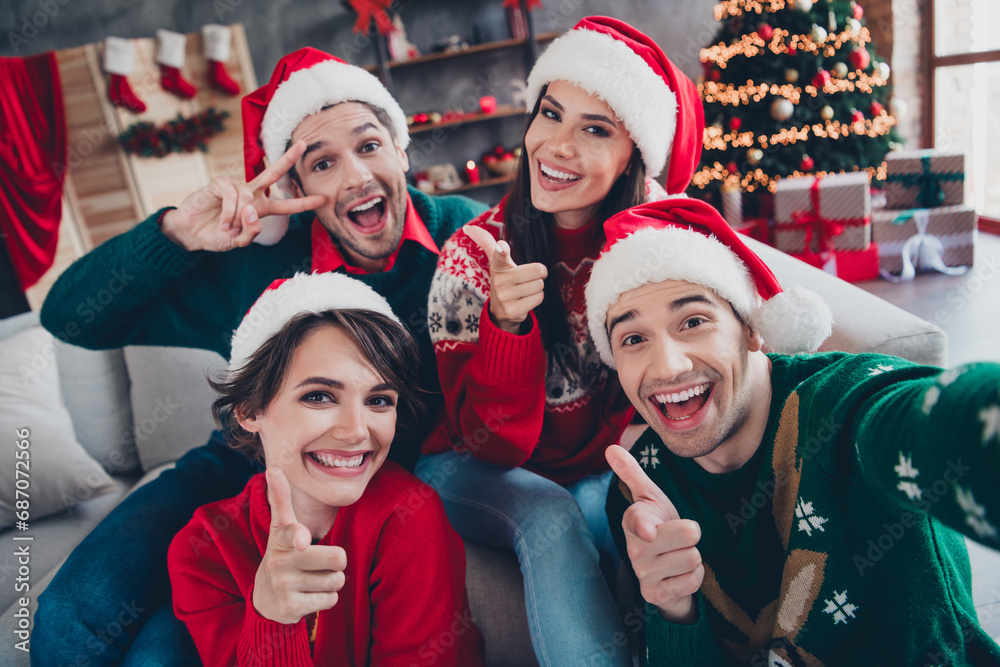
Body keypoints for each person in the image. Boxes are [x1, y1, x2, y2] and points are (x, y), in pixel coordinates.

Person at [33, 48, 487, 664]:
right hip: (236, 468)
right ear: (296, 188)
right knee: (73, 614)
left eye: (370, 145)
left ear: (402, 150)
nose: (355, 176)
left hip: (357, 471)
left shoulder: (466, 240)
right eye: (322, 163)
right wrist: (176, 235)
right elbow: (69, 317)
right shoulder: (256, 260)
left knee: (161, 652)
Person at [584, 197, 1000, 665]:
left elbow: (923, 424)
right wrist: (675, 608)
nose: (666, 365)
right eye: (633, 339)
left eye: (694, 321)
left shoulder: (841, 404)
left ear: (752, 330)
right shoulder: (639, 491)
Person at [414, 16, 704, 665]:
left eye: (595, 129)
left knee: (621, 518)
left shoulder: (648, 251)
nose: (557, 145)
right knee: (550, 517)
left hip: (589, 463)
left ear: (635, 156)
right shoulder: (471, 257)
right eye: (550, 113)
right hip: (468, 462)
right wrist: (509, 330)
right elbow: (492, 442)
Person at [167, 272, 484, 665]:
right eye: (319, 396)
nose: (355, 431)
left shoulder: (408, 515)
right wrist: (271, 616)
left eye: (379, 400)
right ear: (248, 409)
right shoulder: (201, 552)